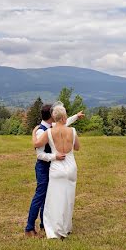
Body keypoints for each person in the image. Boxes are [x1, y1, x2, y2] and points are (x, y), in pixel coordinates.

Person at [24, 102, 83, 237]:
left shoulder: (52, 127)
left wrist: (76, 116)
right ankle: (29, 227)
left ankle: (45, 224)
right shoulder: (40, 131)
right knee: (40, 196)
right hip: (44, 167)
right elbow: (39, 154)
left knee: (49, 197)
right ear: (52, 116)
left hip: (54, 166)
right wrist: (54, 156)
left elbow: (64, 122)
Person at [42, 102, 81, 239]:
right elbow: (77, 147)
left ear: (54, 117)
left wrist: (34, 133)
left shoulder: (49, 132)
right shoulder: (72, 131)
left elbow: (37, 144)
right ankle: (66, 227)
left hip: (57, 167)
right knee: (68, 198)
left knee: (55, 198)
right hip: (71, 167)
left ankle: (55, 229)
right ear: (64, 117)